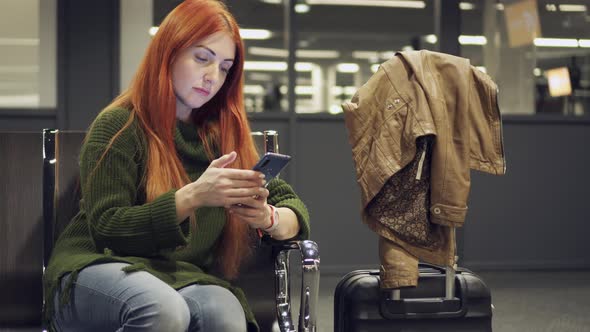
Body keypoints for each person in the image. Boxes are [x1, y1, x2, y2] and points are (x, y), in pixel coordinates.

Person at [42, 1, 310, 331]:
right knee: (162, 308)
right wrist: (192, 197)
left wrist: (269, 218)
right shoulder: (120, 124)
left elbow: (291, 205)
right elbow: (109, 228)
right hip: (97, 265)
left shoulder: (221, 136)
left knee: (224, 313)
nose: (213, 76)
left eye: (225, 67)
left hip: (177, 275)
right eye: (202, 58)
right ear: (169, 52)